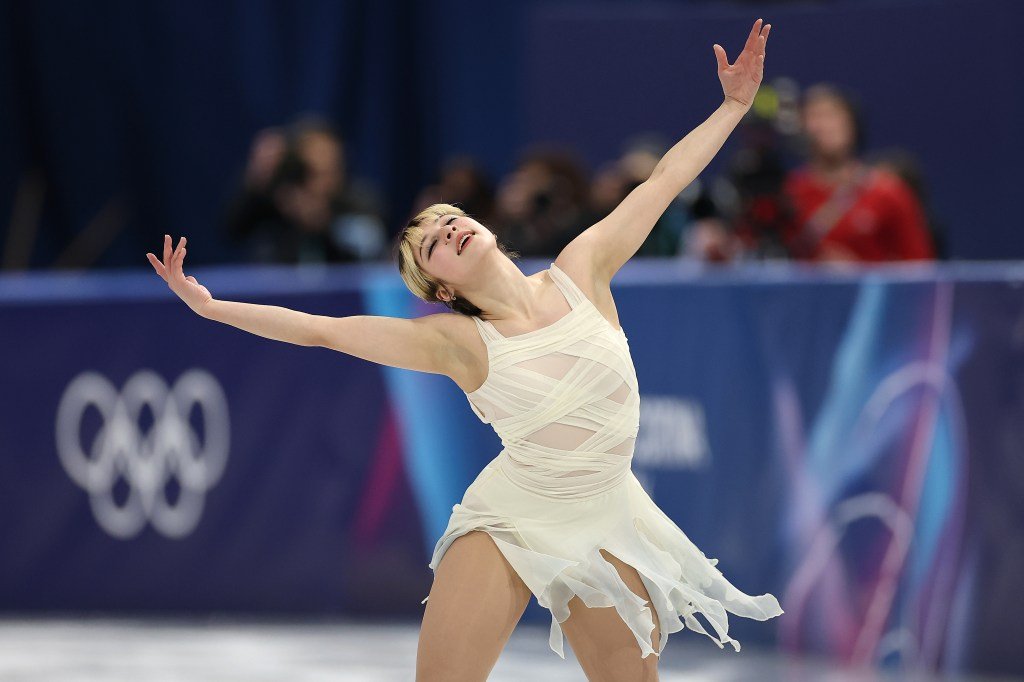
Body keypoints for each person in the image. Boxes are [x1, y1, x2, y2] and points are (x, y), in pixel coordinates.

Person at [146, 19, 783, 680]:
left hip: (606, 510)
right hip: (513, 518)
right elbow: (320, 329)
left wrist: (733, 106)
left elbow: (661, 183)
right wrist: (212, 306)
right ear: (441, 287)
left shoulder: (583, 267)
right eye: (431, 244)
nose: (446, 228)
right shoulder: (456, 343)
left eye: (450, 219)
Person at [782, 84, 935, 262]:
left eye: (833, 115)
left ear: (852, 124)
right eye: (815, 116)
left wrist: (859, 275)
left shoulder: (889, 193)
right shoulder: (788, 193)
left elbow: (919, 269)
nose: (825, 126)